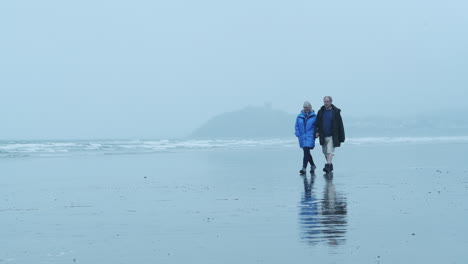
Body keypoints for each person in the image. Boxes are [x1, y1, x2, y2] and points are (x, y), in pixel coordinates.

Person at [315, 96, 345, 173]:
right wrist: (317, 131)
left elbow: (340, 124)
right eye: (325, 101)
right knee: (325, 152)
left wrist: (341, 136)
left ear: (331, 102)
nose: (326, 103)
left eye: (327, 101)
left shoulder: (335, 112)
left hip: (332, 135)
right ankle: (330, 165)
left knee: (329, 151)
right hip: (323, 135)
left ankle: (328, 166)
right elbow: (317, 123)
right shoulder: (320, 112)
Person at [295, 101, 318, 174]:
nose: (306, 109)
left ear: (310, 107)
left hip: (310, 136)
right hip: (302, 136)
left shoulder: (314, 116)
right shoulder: (299, 116)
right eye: (304, 107)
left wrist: (317, 132)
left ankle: (304, 168)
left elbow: (317, 126)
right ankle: (313, 165)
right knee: (306, 152)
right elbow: (296, 126)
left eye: (307, 107)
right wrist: (297, 133)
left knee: (306, 151)